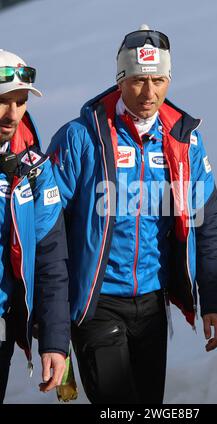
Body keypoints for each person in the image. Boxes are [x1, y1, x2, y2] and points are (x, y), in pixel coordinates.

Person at [47, 25, 217, 404]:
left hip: (152, 304)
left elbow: (207, 221)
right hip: (97, 303)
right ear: (120, 80)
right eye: (138, 81)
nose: (149, 93)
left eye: (159, 80)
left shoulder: (184, 139)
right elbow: (48, 230)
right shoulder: (80, 138)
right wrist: (52, 320)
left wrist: (214, 299)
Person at [0, 49, 70, 403]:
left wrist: (55, 341)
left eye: (21, 101)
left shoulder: (35, 168)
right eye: (3, 101)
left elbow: (50, 258)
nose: (12, 113)